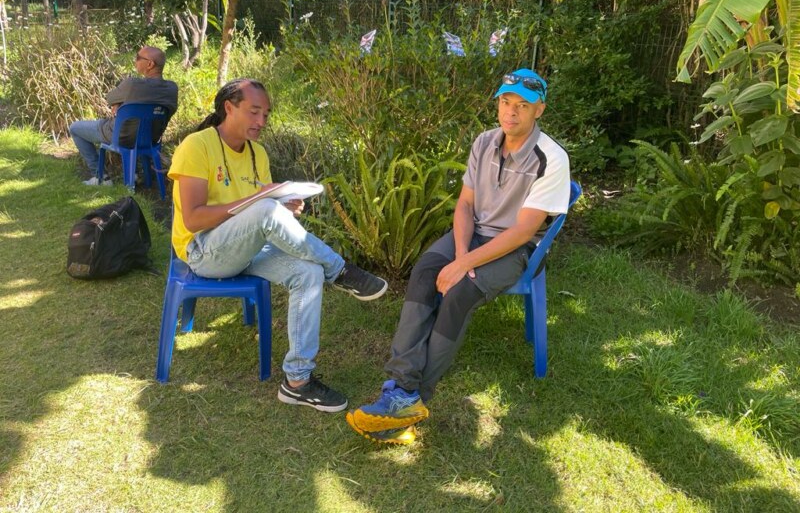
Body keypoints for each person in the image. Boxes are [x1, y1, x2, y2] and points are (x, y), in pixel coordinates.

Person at [346, 68, 571, 445]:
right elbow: (466, 205)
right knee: (422, 274)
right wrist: (461, 252)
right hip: (470, 236)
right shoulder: (484, 142)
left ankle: (413, 398)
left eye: (522, 105)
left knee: (458, 294)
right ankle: (402, 387)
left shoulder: (551, 158)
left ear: (539, 110)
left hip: (515, 248)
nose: (510, 112)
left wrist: (464, 265)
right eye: (505, 102)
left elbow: (523, 231)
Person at [168, 78, 388, 413]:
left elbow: (259, 215)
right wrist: (260, 203)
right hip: (204, 252)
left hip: (246, 248)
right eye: (254, 111)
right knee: (267, 210)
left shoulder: (258, 153)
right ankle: (340, 270)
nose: (261, 121)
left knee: (308, 272)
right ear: (229, 108)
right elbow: (194, 220)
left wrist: (282, 208)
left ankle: (297, 382)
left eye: (266, 114)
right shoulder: (197, 146)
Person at [70, 45, 179, 185]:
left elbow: (109, 98)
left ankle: (101, 176)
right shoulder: (172, 88)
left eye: (138, 58)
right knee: (135, 124)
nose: (135, 61)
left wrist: (118, 103)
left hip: (119, 136)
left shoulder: (132, 84)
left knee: (75, 128)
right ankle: (133, 173)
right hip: (150, 139)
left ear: (150, 64)